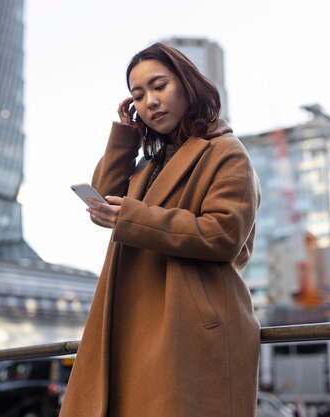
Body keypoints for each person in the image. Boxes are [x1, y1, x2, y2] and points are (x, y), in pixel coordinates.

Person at [59, 42, 261, 417]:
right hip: (134, 323)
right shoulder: (150, 164)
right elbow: (103, 200)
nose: (149, 101)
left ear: (186, 84)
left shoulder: (225, 152)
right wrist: (124, 135)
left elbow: (223, 234)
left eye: (159, 86)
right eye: (138, 95)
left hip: (188, 326)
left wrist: (134, 219)